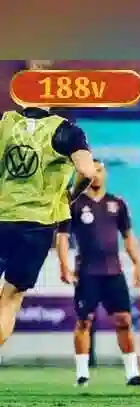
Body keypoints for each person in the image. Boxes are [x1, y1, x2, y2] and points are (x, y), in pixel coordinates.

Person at [0, 105, 98, 348]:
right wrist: (70, 197)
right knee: (10, 299)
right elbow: (87, 171)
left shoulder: (6, 124)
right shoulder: (66, 131)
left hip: (2, 216)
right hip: (37, 225)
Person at [56, 161, 140, 386]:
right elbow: (63, 237)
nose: (95, 175)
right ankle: (82, 375)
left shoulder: (117, 204)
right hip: (87, 273)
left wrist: (138, 263)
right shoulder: (74, 204)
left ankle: (132, 373)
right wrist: (64, 265)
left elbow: (128, 237)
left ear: (105, 174)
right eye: (91, 171)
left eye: (99, 170)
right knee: (84, 321)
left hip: (113, 272)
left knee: (124, 320)